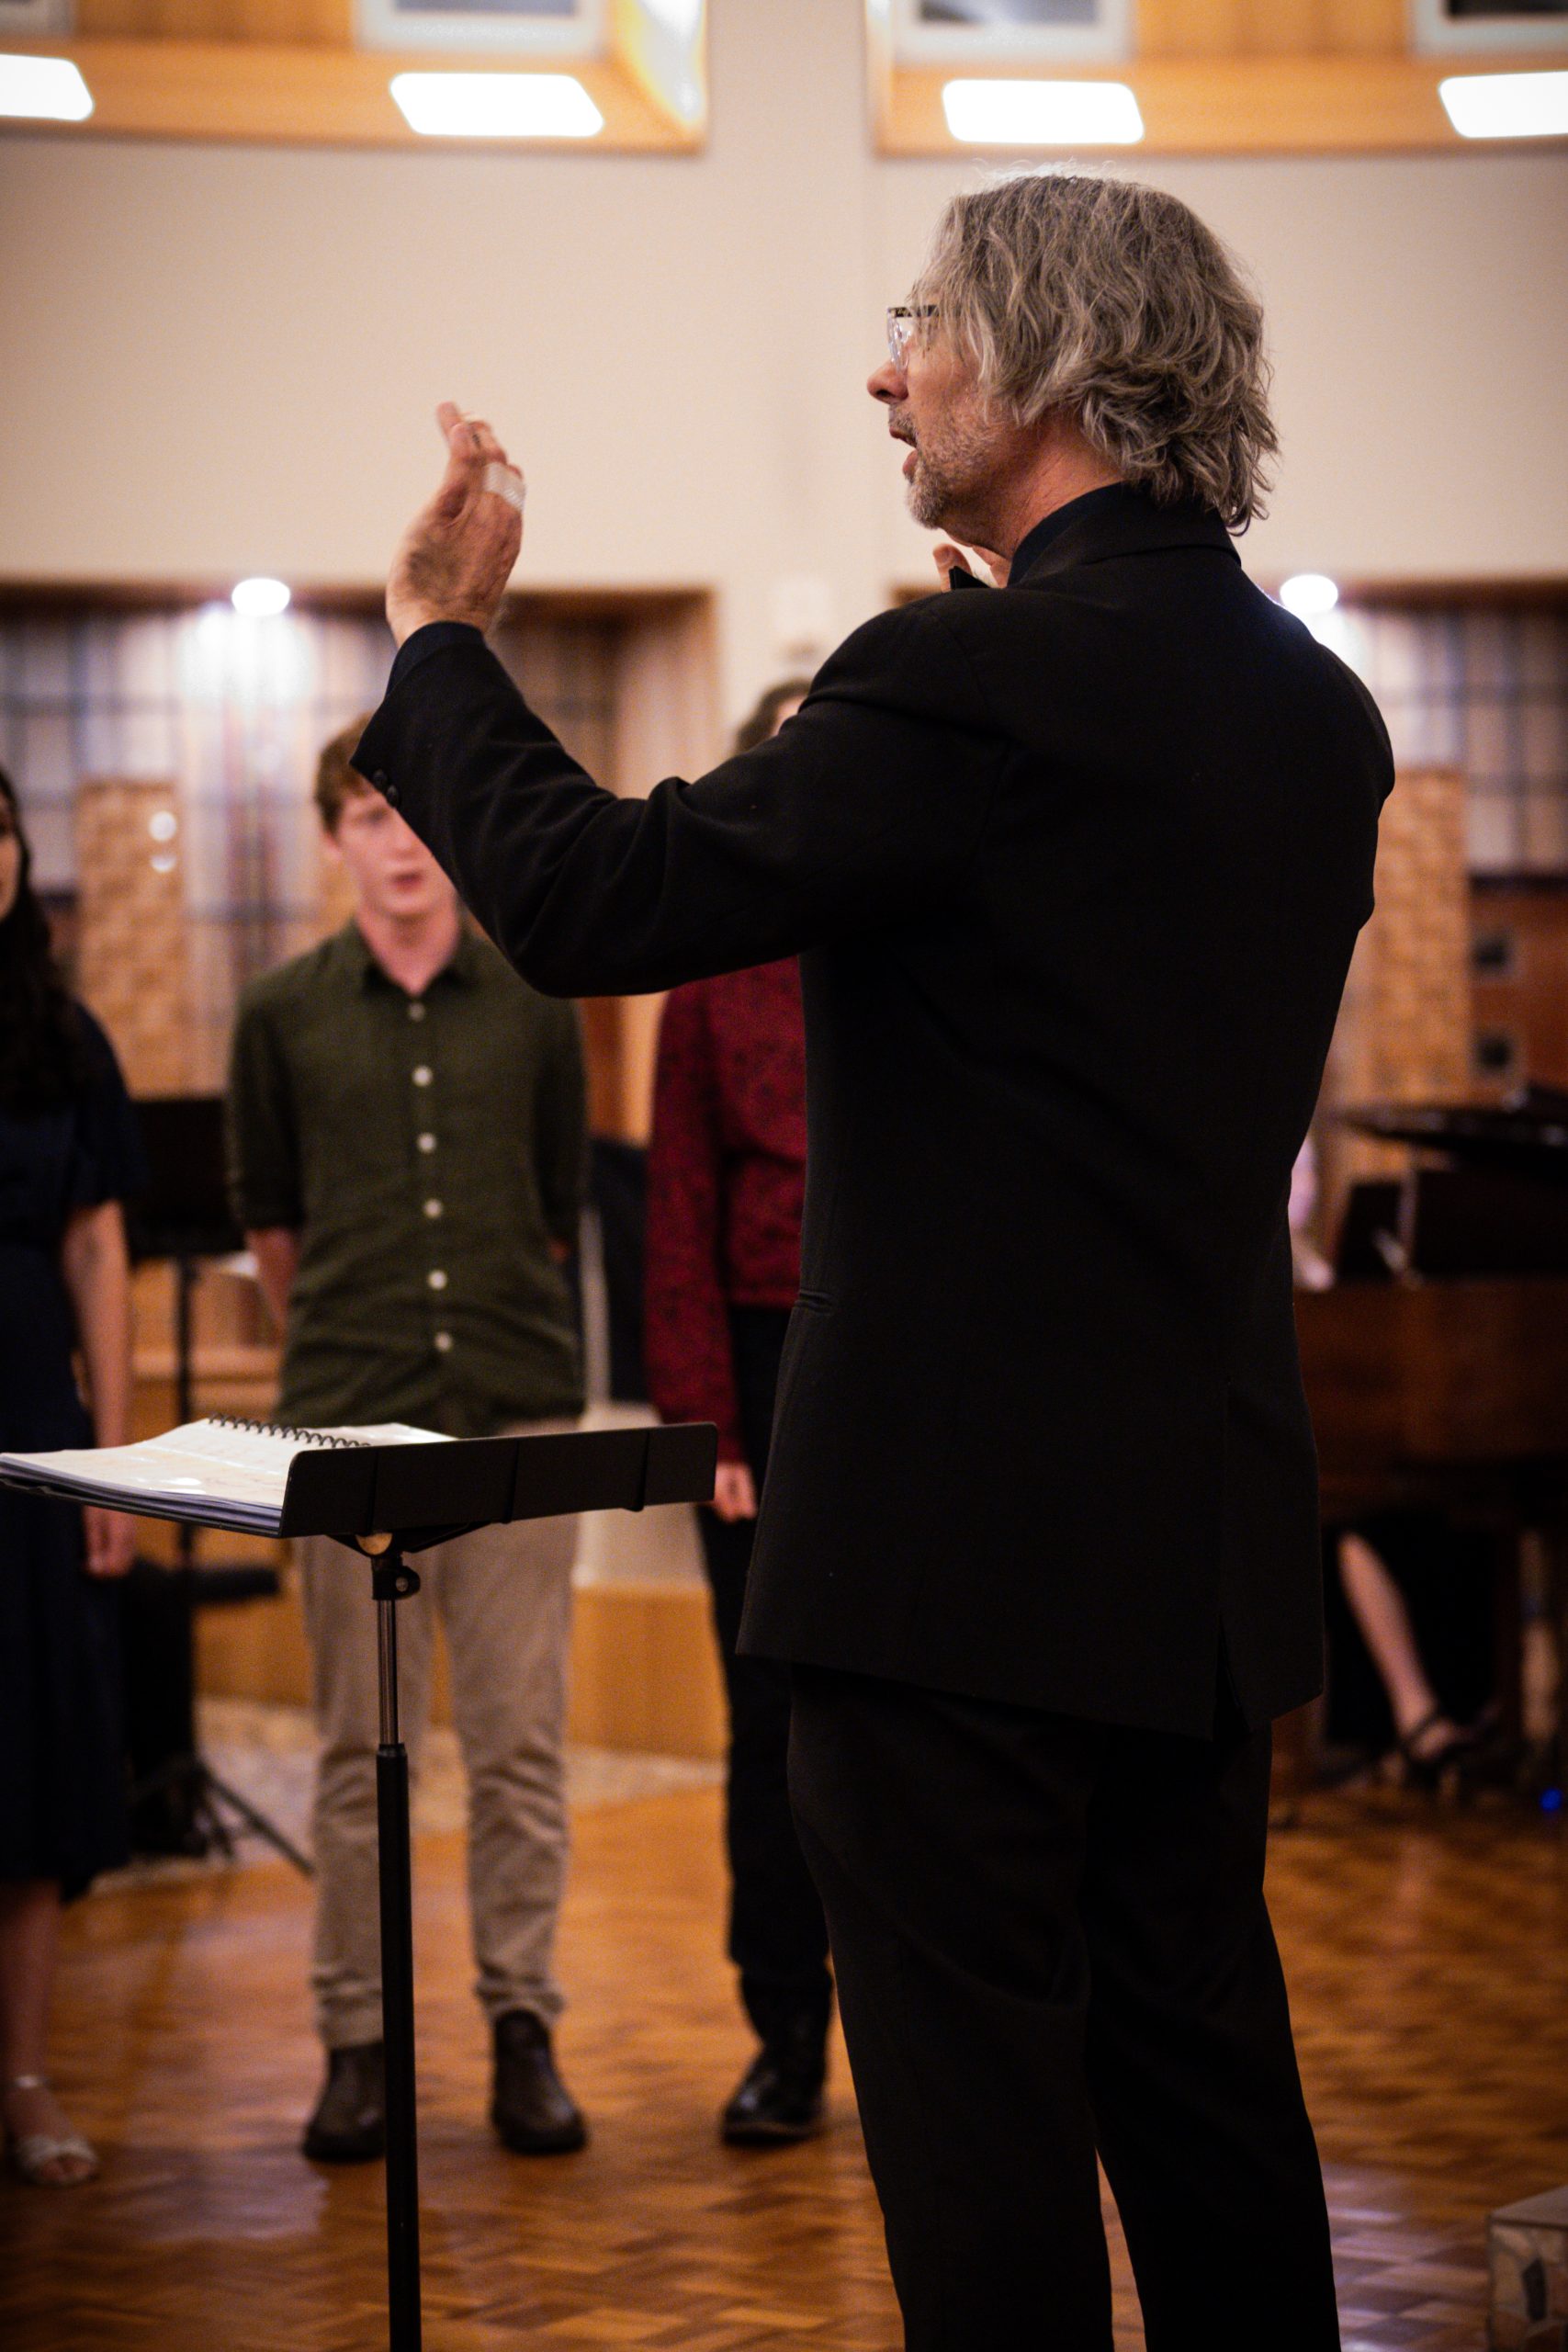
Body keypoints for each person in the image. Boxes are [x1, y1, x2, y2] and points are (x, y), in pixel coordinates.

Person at [351, 169, 1393, 2350]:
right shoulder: (1313, 710)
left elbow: (596, 895)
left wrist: (437, 641)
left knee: (983, 2171)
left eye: (921, 322)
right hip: (1191, 1557)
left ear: (1046, 360)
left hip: (946, 1574)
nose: (881, 371)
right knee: (1211, 2120)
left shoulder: (964, 682)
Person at [225, 718, 590, 2165]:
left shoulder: (538, 1001)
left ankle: (524, 2024)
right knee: (356, 1754)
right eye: (370, 815)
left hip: (514, 1407)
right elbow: (272, 1228)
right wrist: (355, 1342)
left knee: (520, 1747)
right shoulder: (279, 1013)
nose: (400, 842)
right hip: (347, 1419)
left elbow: (554, 1210)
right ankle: (358, 2043)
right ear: (334, 840)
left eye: (417, 812)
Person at [643, 676, 835, 2145]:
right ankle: (784, 2035)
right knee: (769, 1728)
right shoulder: (712, 965)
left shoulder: (925, 931)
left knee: (914, 1728)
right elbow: (677, 1204)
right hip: (762, 1375)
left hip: (913, 1364)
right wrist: (707, 1427)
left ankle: (923, 2036)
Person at [0, 766, 141, 2188]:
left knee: (28, 1762)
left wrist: (112, 1463)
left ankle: (28, 2077)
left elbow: (97, 1250)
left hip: (32, 1425)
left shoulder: (62, 1031)